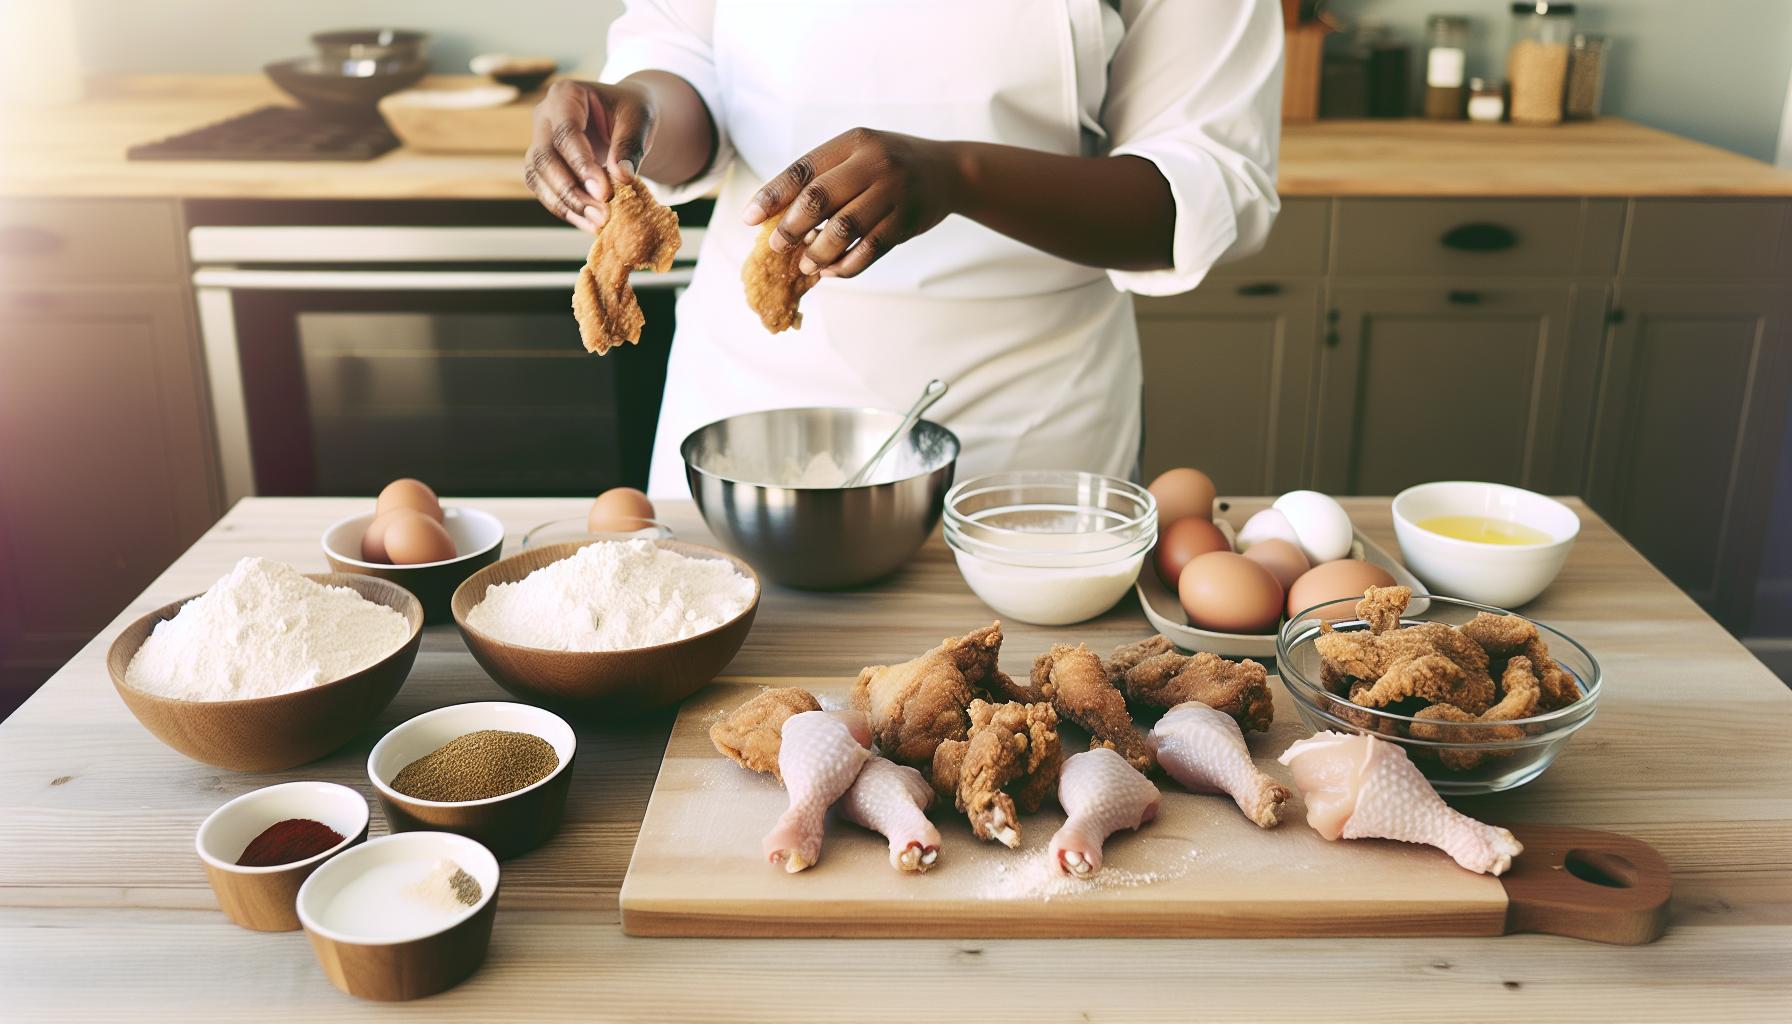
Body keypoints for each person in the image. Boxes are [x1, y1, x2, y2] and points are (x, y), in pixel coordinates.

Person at [526, 0, 1283, 498]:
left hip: (1024, 420)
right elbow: (690, 59)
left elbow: (1204, 184)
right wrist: (640, 113)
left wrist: (963, 176)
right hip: (751, 397)